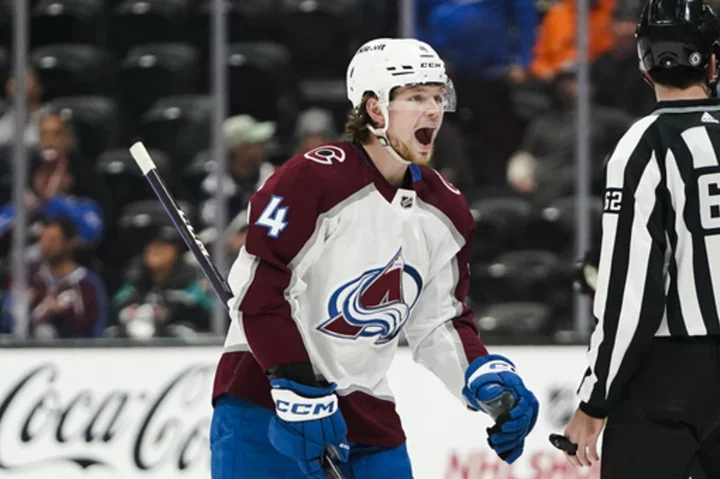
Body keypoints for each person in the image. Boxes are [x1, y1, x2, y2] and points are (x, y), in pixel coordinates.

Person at [210, 38, 540, 478]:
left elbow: (440, 320)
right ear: (375, 109)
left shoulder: (448, 209)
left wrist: (483, 378)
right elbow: (259, 291)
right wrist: (294, 382)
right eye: (417, 97)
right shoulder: (309, 180)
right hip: (264, 401)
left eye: (438, 97)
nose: (434, 110)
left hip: (367, 414)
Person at [561, 1, 720, 478]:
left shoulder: (644, 145)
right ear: (713, 62)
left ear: (645, 68)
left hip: (672, 377)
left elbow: (631, 291)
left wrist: (595, 399)